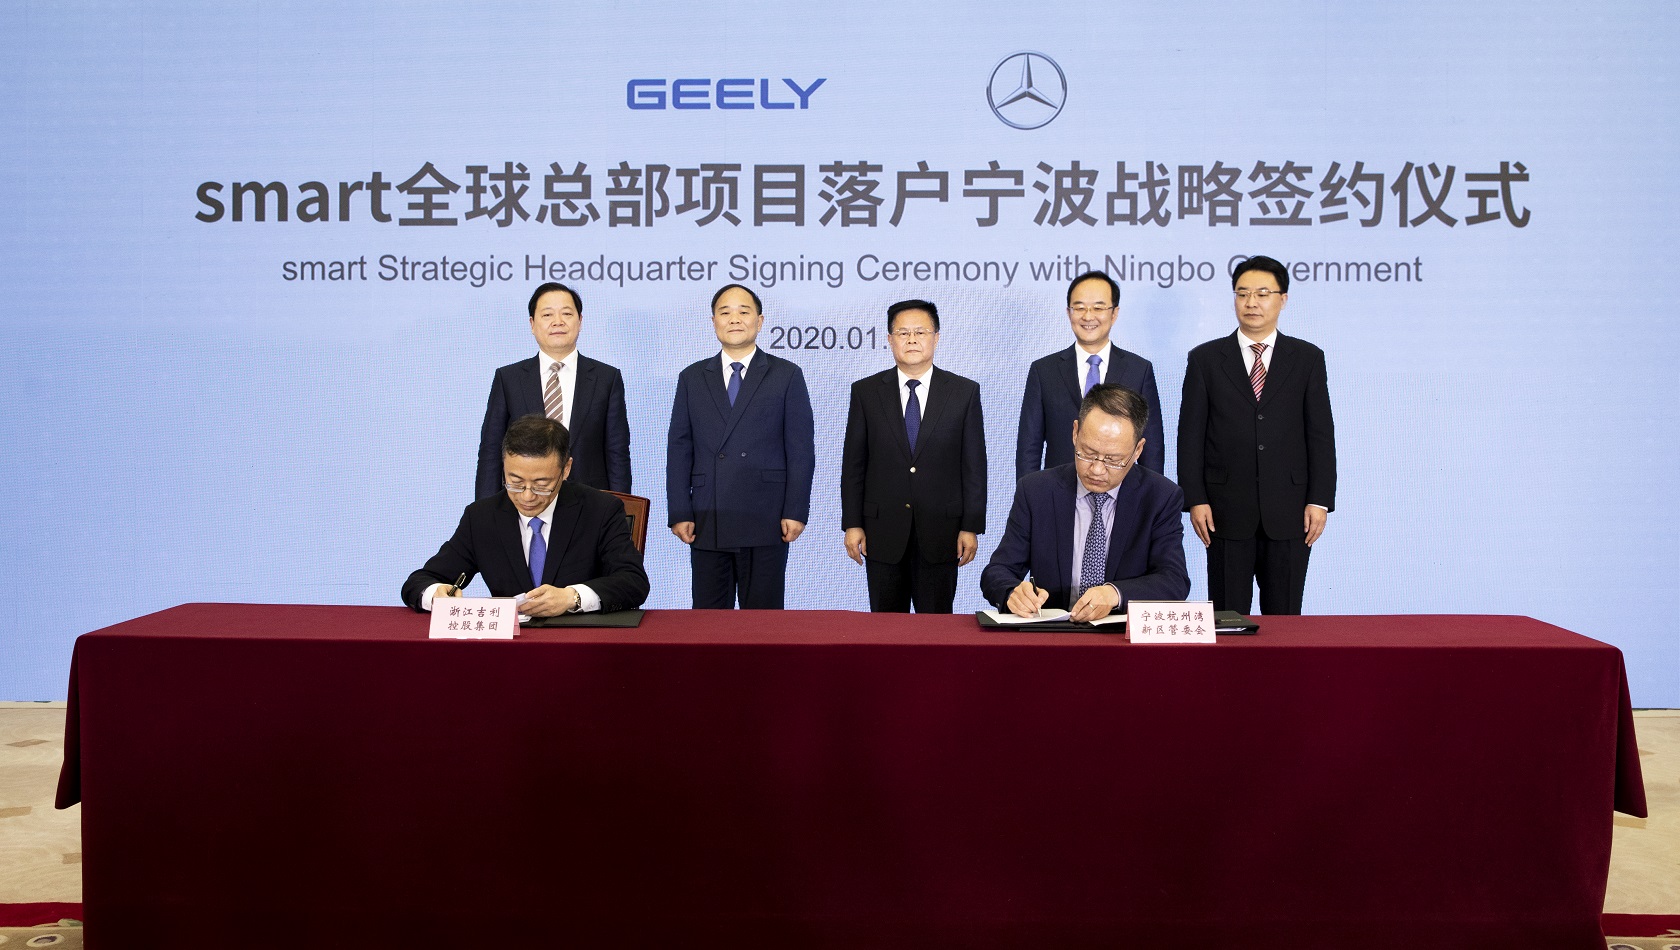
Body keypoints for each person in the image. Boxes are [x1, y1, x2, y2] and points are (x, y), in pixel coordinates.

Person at [1178, 254, 1336, 615]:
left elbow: (1320, 434)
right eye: (1242, 293)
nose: (1251, 302)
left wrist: (1319, 499)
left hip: (1291, 510)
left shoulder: (1307, 358)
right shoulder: (1205, 359)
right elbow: (1190, 435)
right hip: (1224, 510)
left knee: (1286, 617)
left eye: (1262, 294)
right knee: (1227, 617)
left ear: (1283, 299)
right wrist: (1195, 498)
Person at [405, 414, 648, 615]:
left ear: (566, 469)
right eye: (516, 482)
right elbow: (421, 581)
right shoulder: (481, 517)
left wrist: (571, 597)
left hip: (580, 643)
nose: (527, 496)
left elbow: (633, 581)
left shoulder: (600, 510)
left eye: (542, 484)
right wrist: (435, 594)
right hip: (510, 648)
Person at [981, 385, 1189, 620]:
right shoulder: (1036, 491)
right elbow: (997, 571)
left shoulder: (1161, 497)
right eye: (1088, 453)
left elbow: (1174, 580)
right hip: (1052, 632)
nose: (1097, 469)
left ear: (1138, 450)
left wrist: (1115, 594)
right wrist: (1012, 592)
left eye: (1113, 460)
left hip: (1120, 634)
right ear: (1075, 433)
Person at [666, 284, 816, 609]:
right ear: (713, 322)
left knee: (763, 623)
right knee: (708, 622)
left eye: (743, 311)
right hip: (707, 514)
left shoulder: (786, 375)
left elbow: (801, 450)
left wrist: (795, 510)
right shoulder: (692, 377)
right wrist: (679, 510)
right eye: (725, 312)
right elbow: (679, 449)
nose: (734, 319)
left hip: (766, 514)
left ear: (759, 321)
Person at [841, 299, 986, 613]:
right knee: (885, 628)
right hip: (881, 532)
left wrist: (970, 526)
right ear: (890, 339)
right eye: (903, 333)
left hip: (942, 532)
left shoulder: (963, 392)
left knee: (935, 628)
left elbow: (974, 466)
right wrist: (852, 524)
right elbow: (853, 466)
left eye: (920, 332)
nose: (912, 340)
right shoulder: (866, 392)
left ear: (936, 337)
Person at [475, 282, 631, 499]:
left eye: (567, 313)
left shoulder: (606, 378)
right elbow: (491, 452)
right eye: (547, 315)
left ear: (580, 321)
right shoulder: (509, 379)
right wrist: (485, 511)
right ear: (532, 323)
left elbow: (617, 453)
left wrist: (621, 510)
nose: (558, 321)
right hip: (525, 501)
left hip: (590, 504)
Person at [1016, 270, 1165, 480]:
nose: (1088, 316)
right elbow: (1028, 448)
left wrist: (1152, 496)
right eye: (1079, 307)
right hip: (1059, 490)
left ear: (1114, 313)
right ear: (1069, 312)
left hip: (1121, 491)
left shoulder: (1139, 370)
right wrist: (1028, 494)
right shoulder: (1043, 371)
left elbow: (1152, 448)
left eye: (1098, 308)